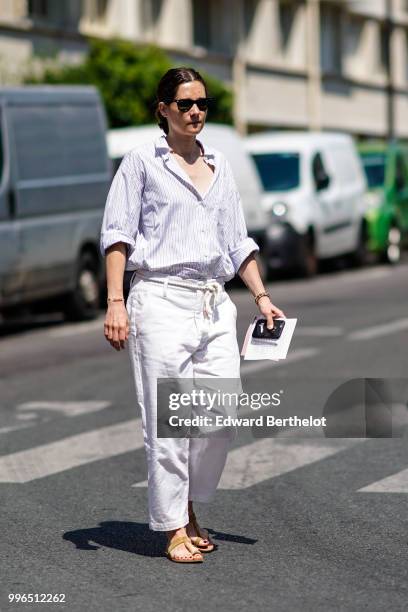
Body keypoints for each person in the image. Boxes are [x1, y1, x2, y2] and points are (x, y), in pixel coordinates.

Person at [100, 67, 285, 563]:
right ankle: (174, 526)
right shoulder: (141, 163)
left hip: (213, 301)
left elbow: (238, 242)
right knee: (168, 423)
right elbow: (117, 234)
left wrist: (262, 298)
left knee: (220, 414)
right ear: (163, 109)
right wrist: (116, 302)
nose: (196, 112)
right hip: (158, 299)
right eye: (185, 104)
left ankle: (188, 503)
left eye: (203, 103)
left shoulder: (221, 165)